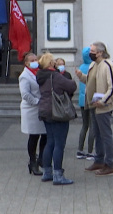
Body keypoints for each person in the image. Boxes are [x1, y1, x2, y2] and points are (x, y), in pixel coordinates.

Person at [75, 41, 113, 177]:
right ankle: (99, 160)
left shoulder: (108, 66)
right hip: (93, 105)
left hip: (103, 106)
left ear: (100, 52)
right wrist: (81, 76)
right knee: (97, 134)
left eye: (93, 51)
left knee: (105, 135)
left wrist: (103, 101)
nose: (91, 53)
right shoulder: (94, 64)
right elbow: (90, 81)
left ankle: (109, 164)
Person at [36, 52, 78, 185]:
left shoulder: (41, 76)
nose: (55, 63)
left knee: (50, 141)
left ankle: (47, 172)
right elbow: (72, 86)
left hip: (45, 111)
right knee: (59, 144)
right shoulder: (55, 76)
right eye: (53, 61)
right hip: (57, 111)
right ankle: (58, 175)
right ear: (50, 63)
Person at [19, 51, 46, 176]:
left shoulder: (39, 72)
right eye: (32, 60)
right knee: (34, 136)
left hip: (41, 108)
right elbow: (25, 94)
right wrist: (37, 101)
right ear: (26, 63)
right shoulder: (25, 76)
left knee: (45, 134)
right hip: (31, 109)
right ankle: (32, 162)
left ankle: (42, 158)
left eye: (36, 59)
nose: (35, 62)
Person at [75, 46, 96, 160]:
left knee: (84, 125)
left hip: (82, 100)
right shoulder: (93, 67)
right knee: (92, 126)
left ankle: (79, 150)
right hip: (91, 99)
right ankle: (90, 151)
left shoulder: (81, 66)